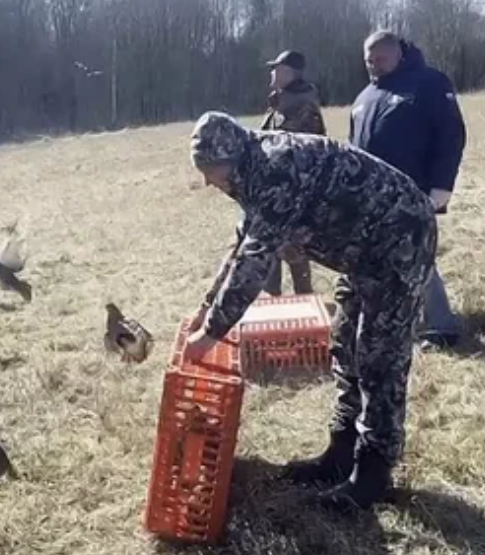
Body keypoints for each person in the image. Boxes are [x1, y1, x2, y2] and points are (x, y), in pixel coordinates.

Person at [184, 111, 436, 512]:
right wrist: (204, 309)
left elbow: (254, 262)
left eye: (211, 170)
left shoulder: (276, 169)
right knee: (345, 345)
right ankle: (341, 453)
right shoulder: (251, 168)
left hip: (398, 238)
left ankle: (373, 475)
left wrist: (211, 333)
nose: (207, 181)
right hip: (362, 251)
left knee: (378, 357)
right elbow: (240, 245)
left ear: (230, 158)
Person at [349, 30, 467, 349]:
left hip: (413, 190)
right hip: (370, 197)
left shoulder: (428, 83)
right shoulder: (363, 99)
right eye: (369, 61)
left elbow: (451, 134)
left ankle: (441, 327)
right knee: (381, 260)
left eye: (381, 59)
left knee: (416, 257)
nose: (374, 66)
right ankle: (400, 319)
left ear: (398, 54)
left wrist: (442, 185)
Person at [256, 49, 328, 296]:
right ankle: (273, 309)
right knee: (269, 257)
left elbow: (310, 156)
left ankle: (305, 317)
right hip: (272, 196)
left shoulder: (303, 108)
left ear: (290, 73)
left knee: (296, 256)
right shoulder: (279, 104)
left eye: (277, 68)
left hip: (293, 197)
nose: (272, 72)